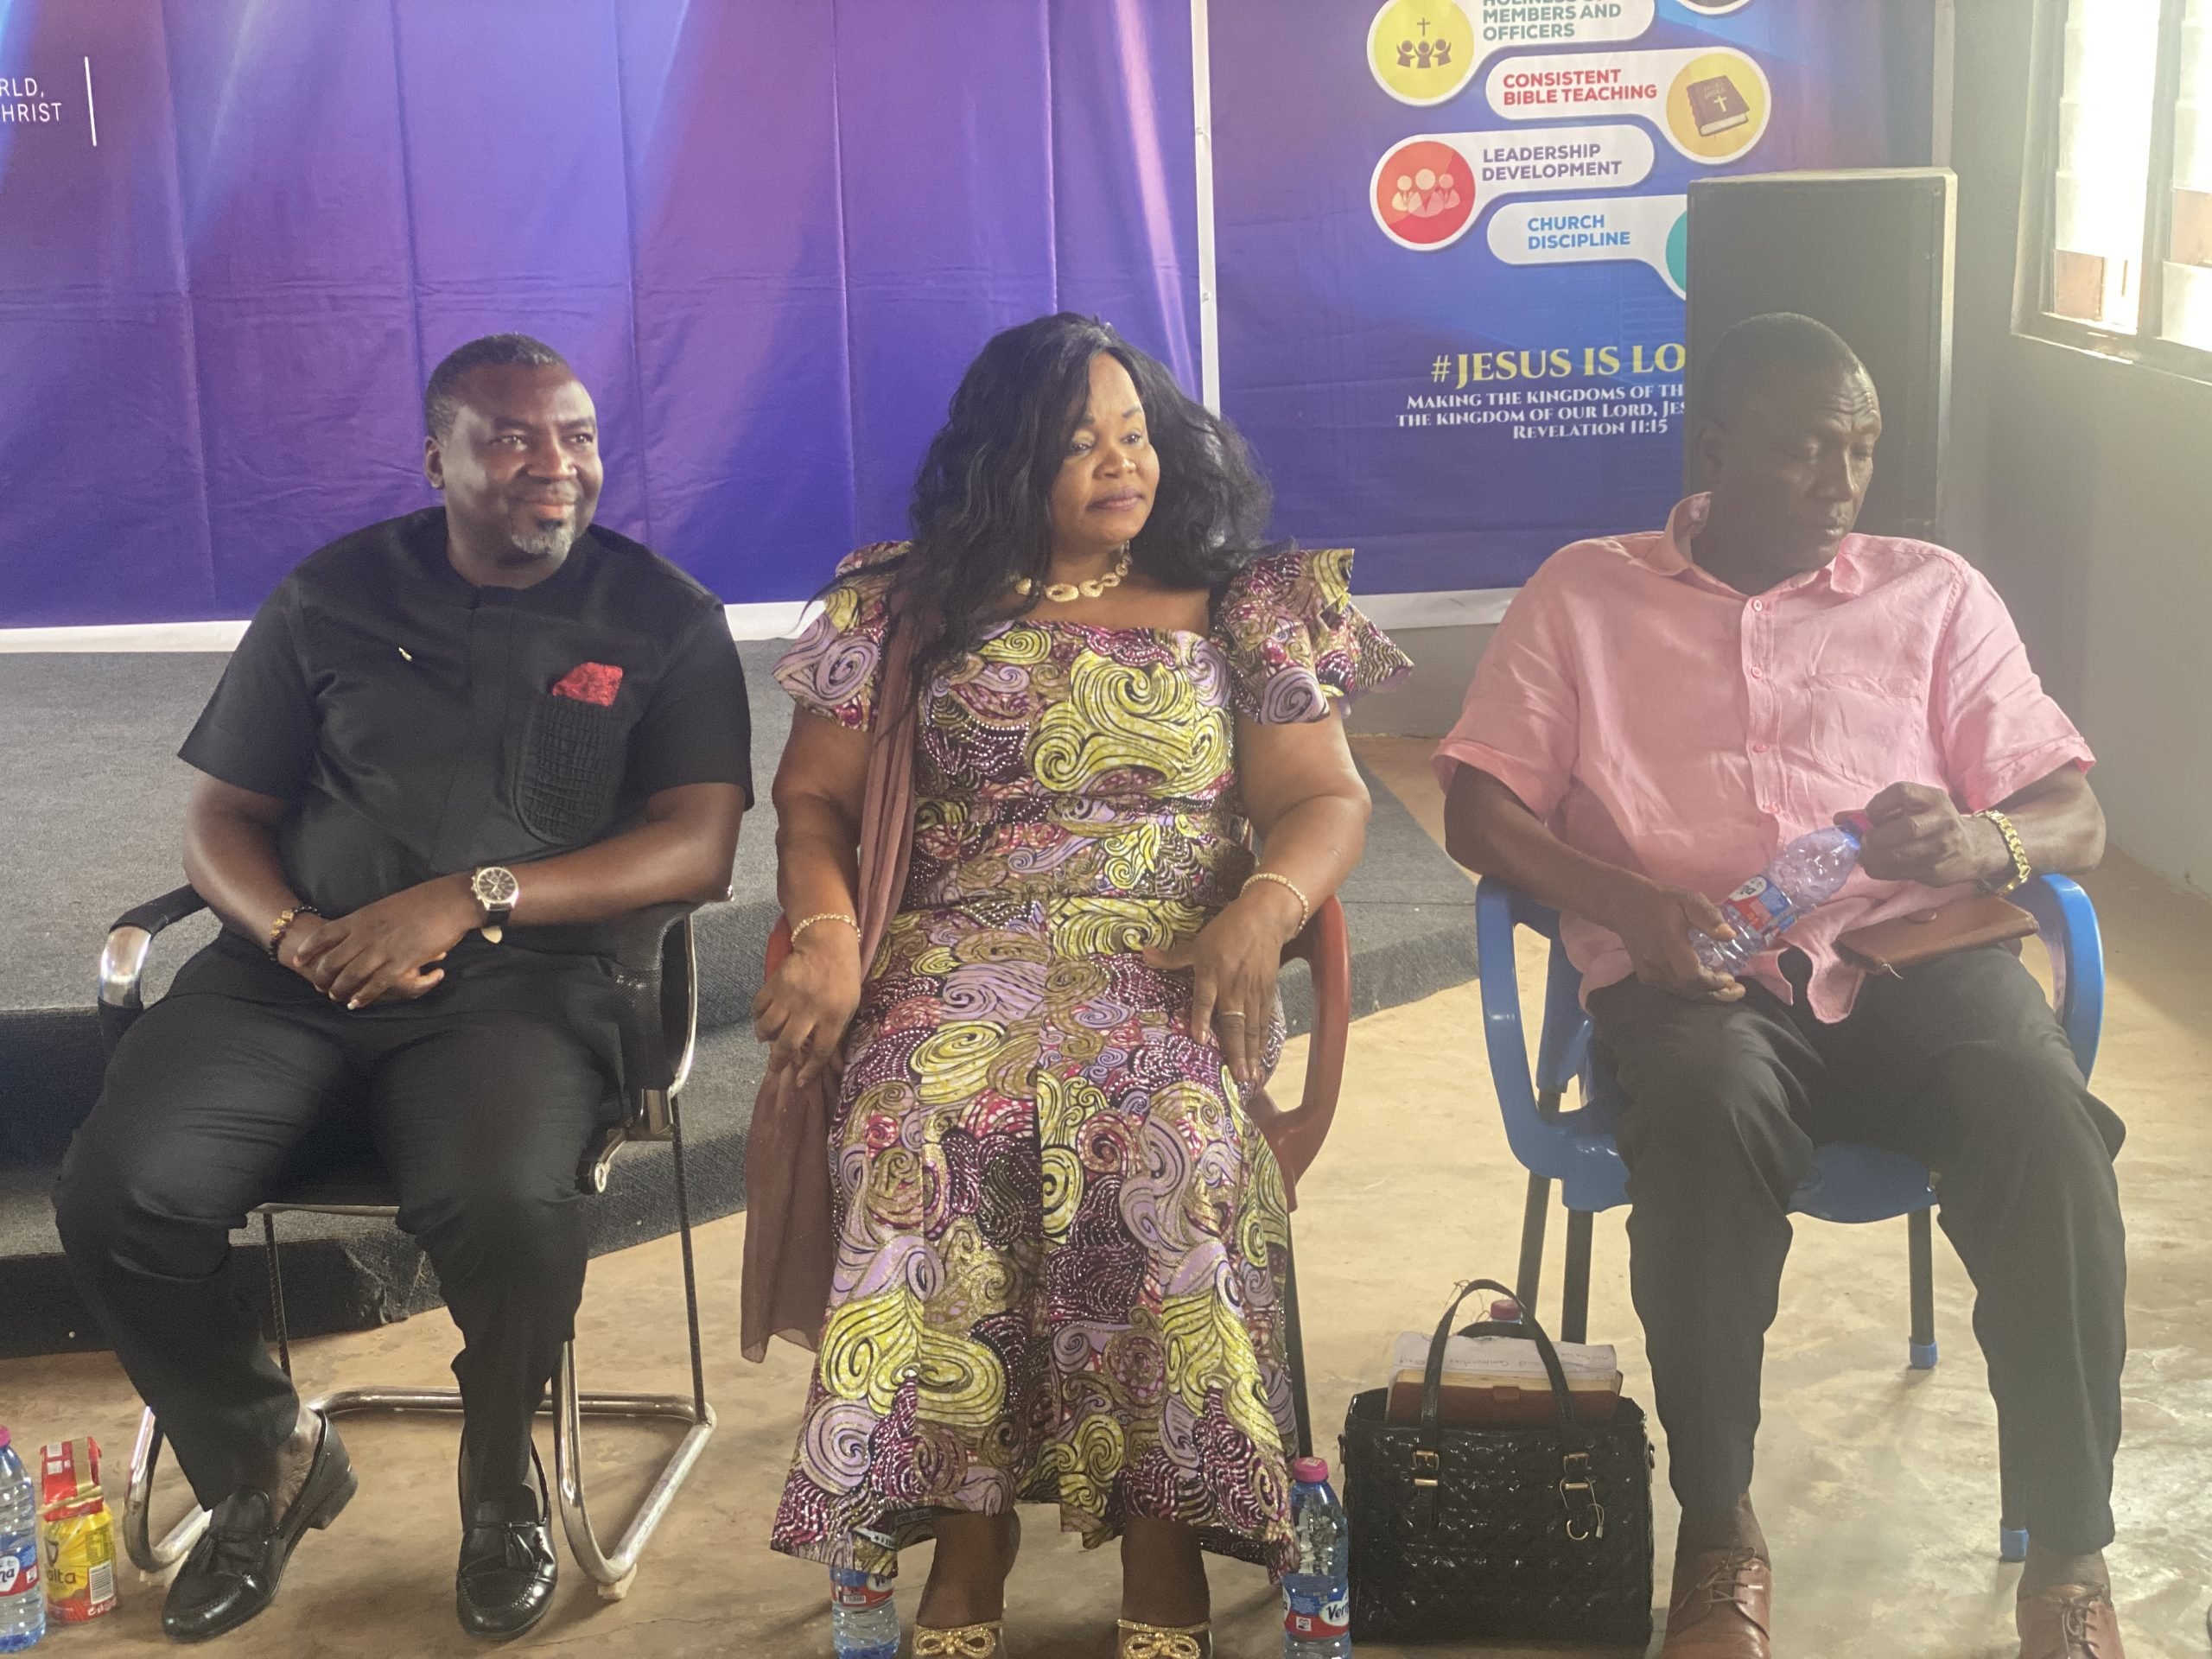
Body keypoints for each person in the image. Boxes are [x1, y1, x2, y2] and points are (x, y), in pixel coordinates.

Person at [1435, 314, 2126, 1659]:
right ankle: (1718, 1532)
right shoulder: (1583, 595)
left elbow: (2074, 813)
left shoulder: (1935, 594)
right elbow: (1479, 809)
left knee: (2043, 1122)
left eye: (1860, 449)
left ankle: (2070, 1555)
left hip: (1919, 961)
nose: (1839, 482)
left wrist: (1988, 842)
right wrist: (1628, 901)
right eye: (1806, 450)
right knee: (1706, 1117)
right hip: (1694, 974)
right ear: (1714, 449)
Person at [53, 334, 752, 1643]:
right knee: (117, 1194)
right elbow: (221, 817)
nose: (556, 465)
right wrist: (291, 932)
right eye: (515, 438)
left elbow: (698, 849)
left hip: (523, 991)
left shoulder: (662, 616)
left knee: (505, 1201)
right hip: (288, 984)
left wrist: (474, 893)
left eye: (579, 436)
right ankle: (263, 1459)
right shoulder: (333, 594)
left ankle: (501, 1484)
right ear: (438, 459)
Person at [754, 313, 1408, 1659]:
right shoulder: (898, 605)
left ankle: (1166, 1546)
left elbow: (1326, 799)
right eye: (1079, 442)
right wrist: (824, 930)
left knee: (1168, 1138)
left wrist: (1262, 909)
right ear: (1007, 462)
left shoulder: (1247, 601)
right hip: (954, 954)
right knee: (914, 1134)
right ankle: (964, 1539)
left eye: (1136, 433)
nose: (1124, 464)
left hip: (1172, 958)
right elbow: (813, 800)